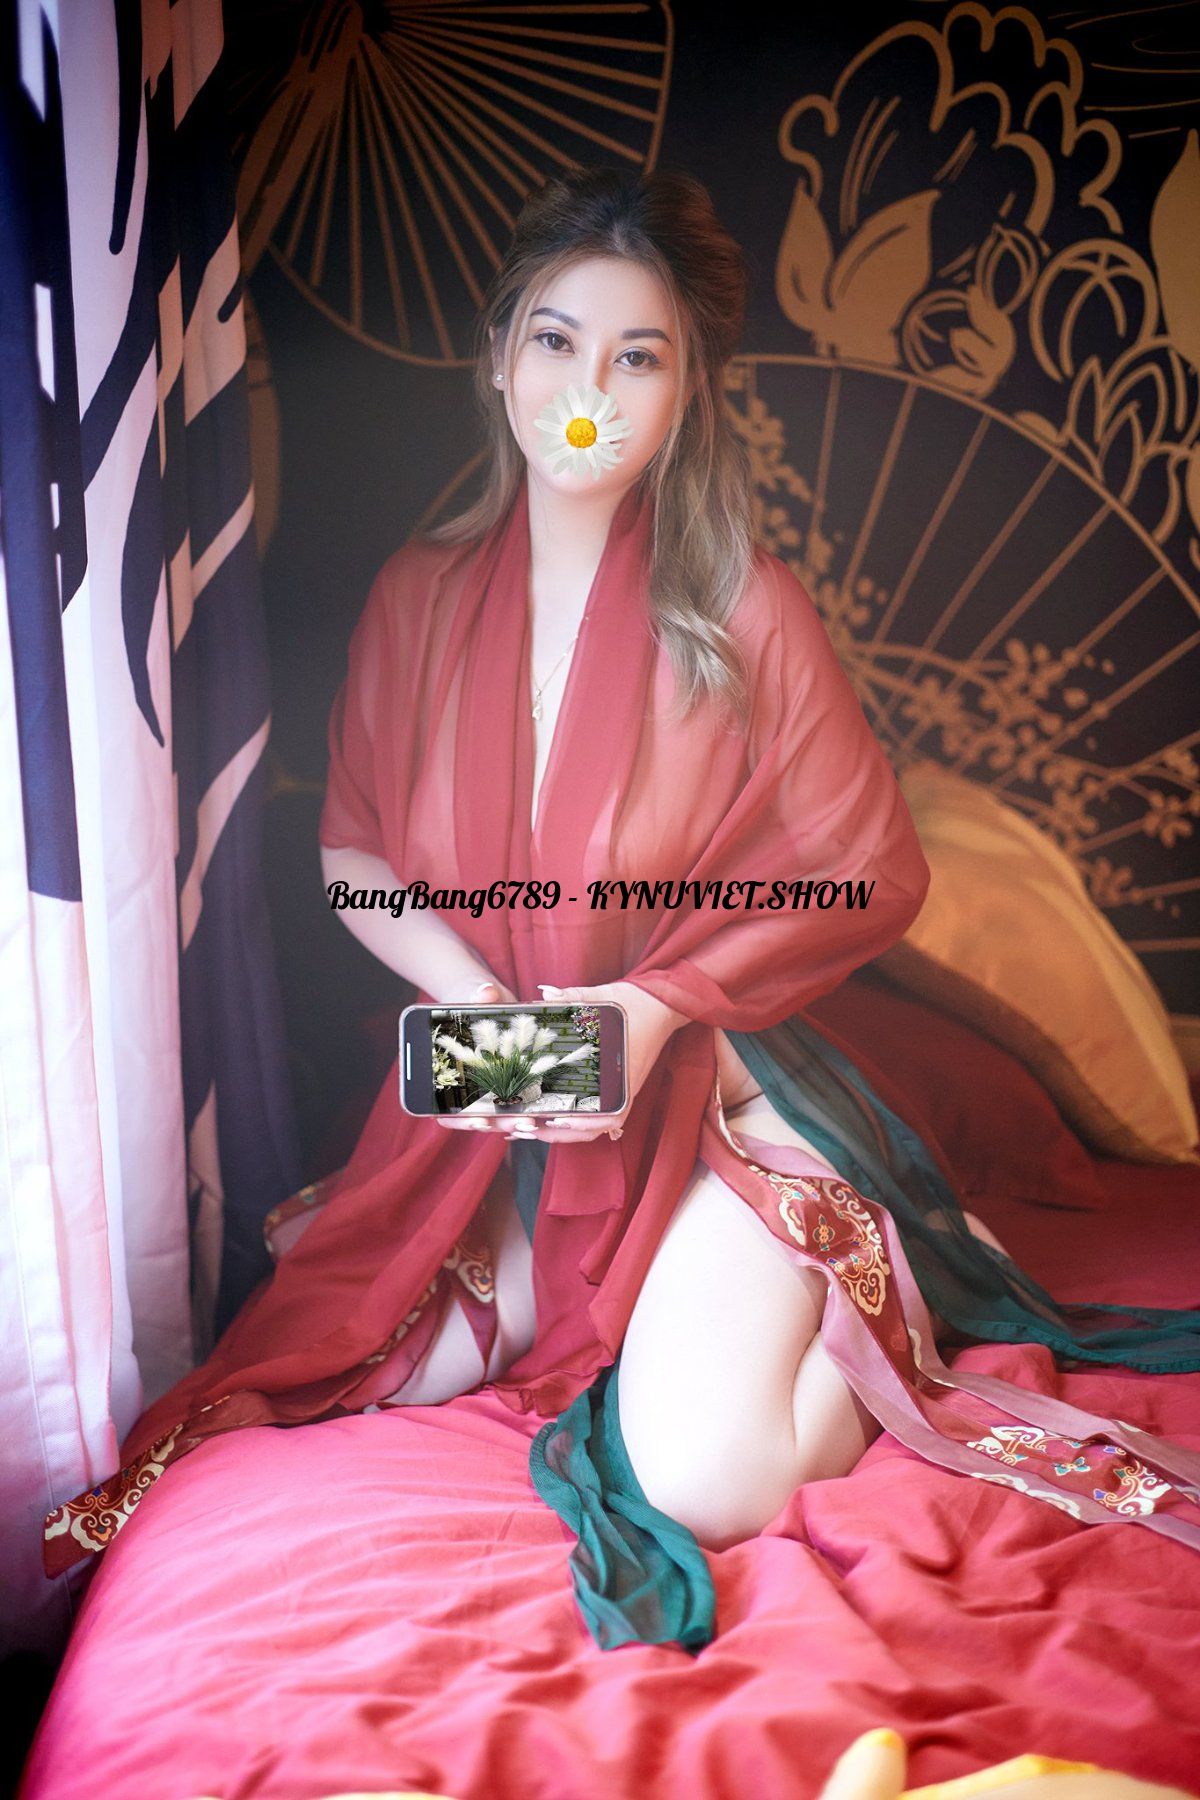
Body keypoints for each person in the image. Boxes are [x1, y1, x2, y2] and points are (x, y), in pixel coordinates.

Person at [43, 169, 1200, 1655]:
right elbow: (354, 850)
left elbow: (864, 867)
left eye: (637, 357)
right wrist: (476, 1000)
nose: (588, 390)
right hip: (512, 1098)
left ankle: (882, 1270)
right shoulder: (418, 597)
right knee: (361, 1363)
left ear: (685, 392)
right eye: (556, 340)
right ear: (498, 358)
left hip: (718, 1100)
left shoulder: (742, 611)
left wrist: (649, 1011)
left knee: (707, 1477)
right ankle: (584, 1274)